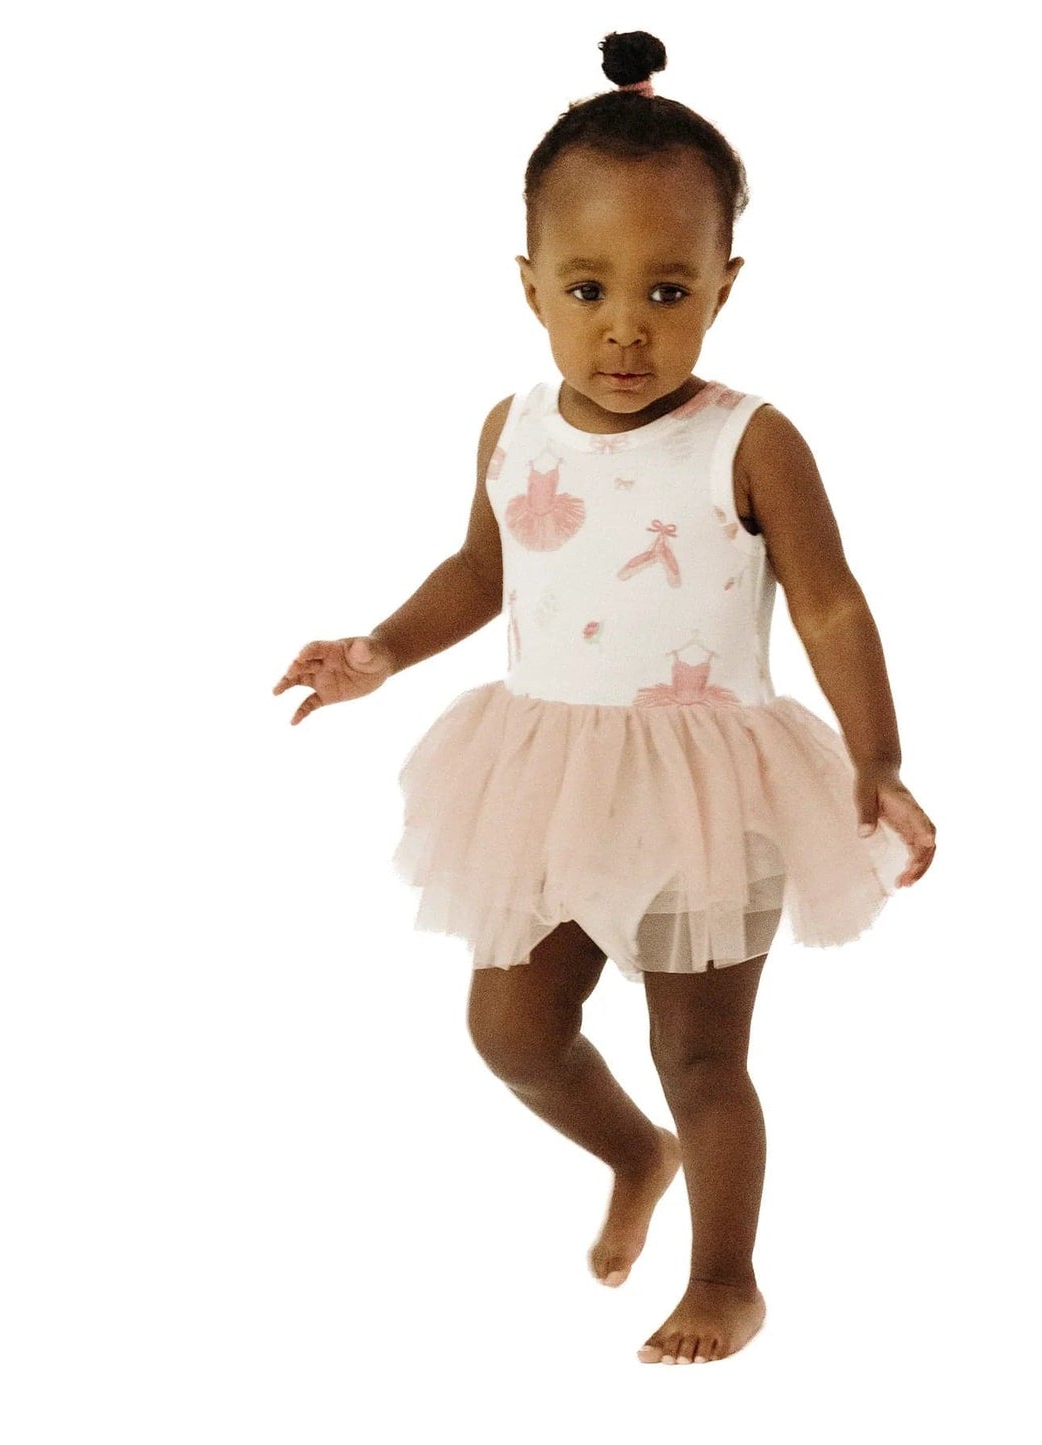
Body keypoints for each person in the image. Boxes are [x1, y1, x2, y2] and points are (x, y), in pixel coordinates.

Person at [272, 30, 937, 1367]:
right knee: (511, 1028)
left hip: (707, 790)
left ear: (724, 287)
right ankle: (633, 1154)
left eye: (667, 289)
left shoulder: (750, 439)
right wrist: (381, 649)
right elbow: (482, 569)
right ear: (529, 284)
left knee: (701, 1055)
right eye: (586, 287)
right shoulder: (511, 426)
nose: (625, 325)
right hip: (546, 775)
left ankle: (727, 1275)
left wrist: (877, 757)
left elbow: (830, 604)